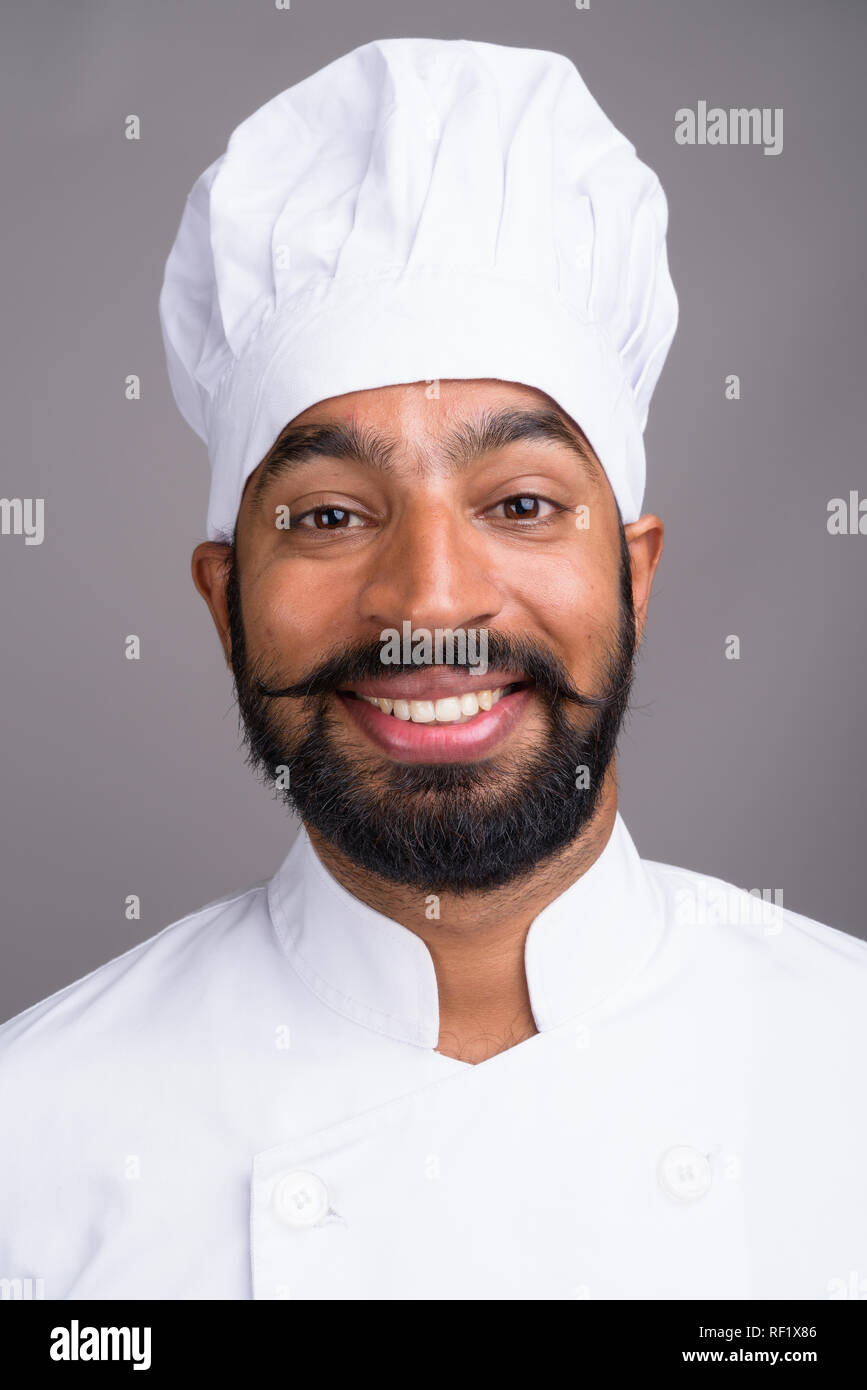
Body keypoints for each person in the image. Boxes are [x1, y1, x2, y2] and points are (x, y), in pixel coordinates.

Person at [1, 36, 865, 1302]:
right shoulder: (36, 1146)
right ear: (225, 602)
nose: (430, 599)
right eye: (331, 515)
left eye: (518, 502)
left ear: (636, 574)